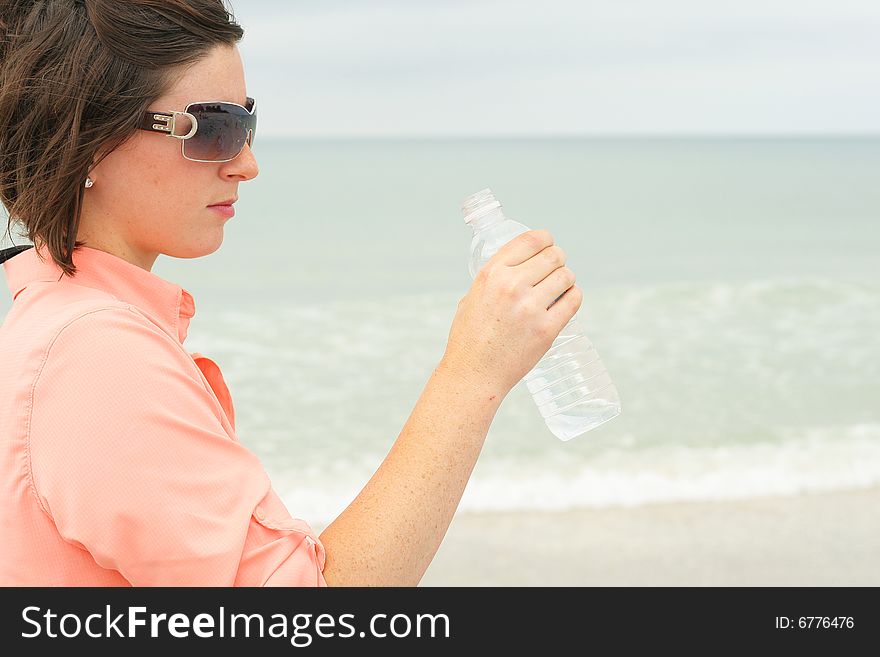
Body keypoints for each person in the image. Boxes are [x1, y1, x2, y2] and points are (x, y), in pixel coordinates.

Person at [0, 0, 581, 586]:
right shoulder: (96, 356)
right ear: (90, 137)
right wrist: (474, 372)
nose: (247, 164)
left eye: (246, 124)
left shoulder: (57, 319)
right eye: (214, 128)